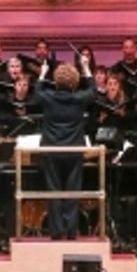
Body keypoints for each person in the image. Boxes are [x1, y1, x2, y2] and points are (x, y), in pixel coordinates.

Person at [36, 60, 97, 240]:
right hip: (73, 149)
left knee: (54, 191)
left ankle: (56, 231)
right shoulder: (79, 99)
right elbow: (93, 91)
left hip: (52, 149)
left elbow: (37, 91)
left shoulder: (48, 97)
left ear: (56, 80)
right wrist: (86, 67)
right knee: (72, 191)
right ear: (75, 81)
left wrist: (43, 72)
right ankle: (71, 231)